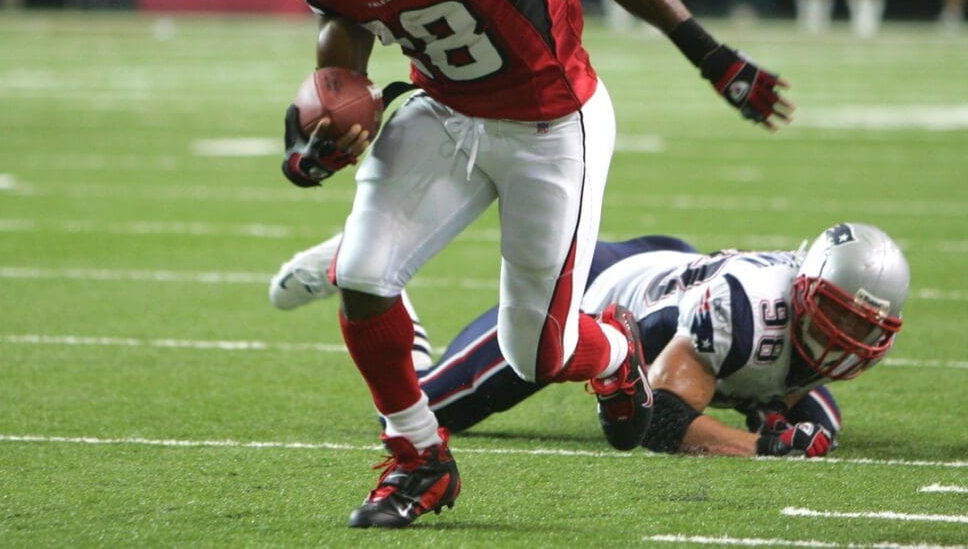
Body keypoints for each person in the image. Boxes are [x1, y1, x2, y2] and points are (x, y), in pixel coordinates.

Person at [269, 0, 793, 529]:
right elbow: (344, 33)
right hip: (445, 109)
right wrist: (321, 134)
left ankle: (613, 356)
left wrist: (712, 56)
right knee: (364, 274)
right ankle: (419, 459)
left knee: (536, 355)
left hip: (551, 121)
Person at [271, 222, 909, 459]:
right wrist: (759, 446)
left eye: (860, 326)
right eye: (837, 315)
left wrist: (799, 431)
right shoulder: (750, 310)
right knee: (418, 406)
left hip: (668, 278)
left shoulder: (788, 316)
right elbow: (657, 421)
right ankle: (360, 273)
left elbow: (810, 409)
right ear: (805, 292)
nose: (844, 337)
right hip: (589, 294)